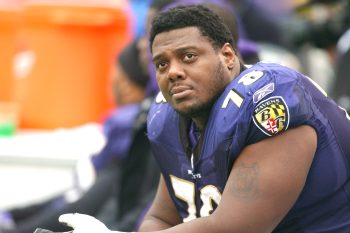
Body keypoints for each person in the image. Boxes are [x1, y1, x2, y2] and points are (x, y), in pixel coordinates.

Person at [36, 4, 350, 233]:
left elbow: (235, 229)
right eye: (161, 64)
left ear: (228, 56)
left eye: (188, 57)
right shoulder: (171, 119)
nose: (173, 72)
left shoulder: (269, 102)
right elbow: (160, 219)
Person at [0, 39, 159, 233]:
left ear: (126, 84)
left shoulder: (129, 135)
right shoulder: (133, 128)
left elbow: (86, 205)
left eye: (114, 71)